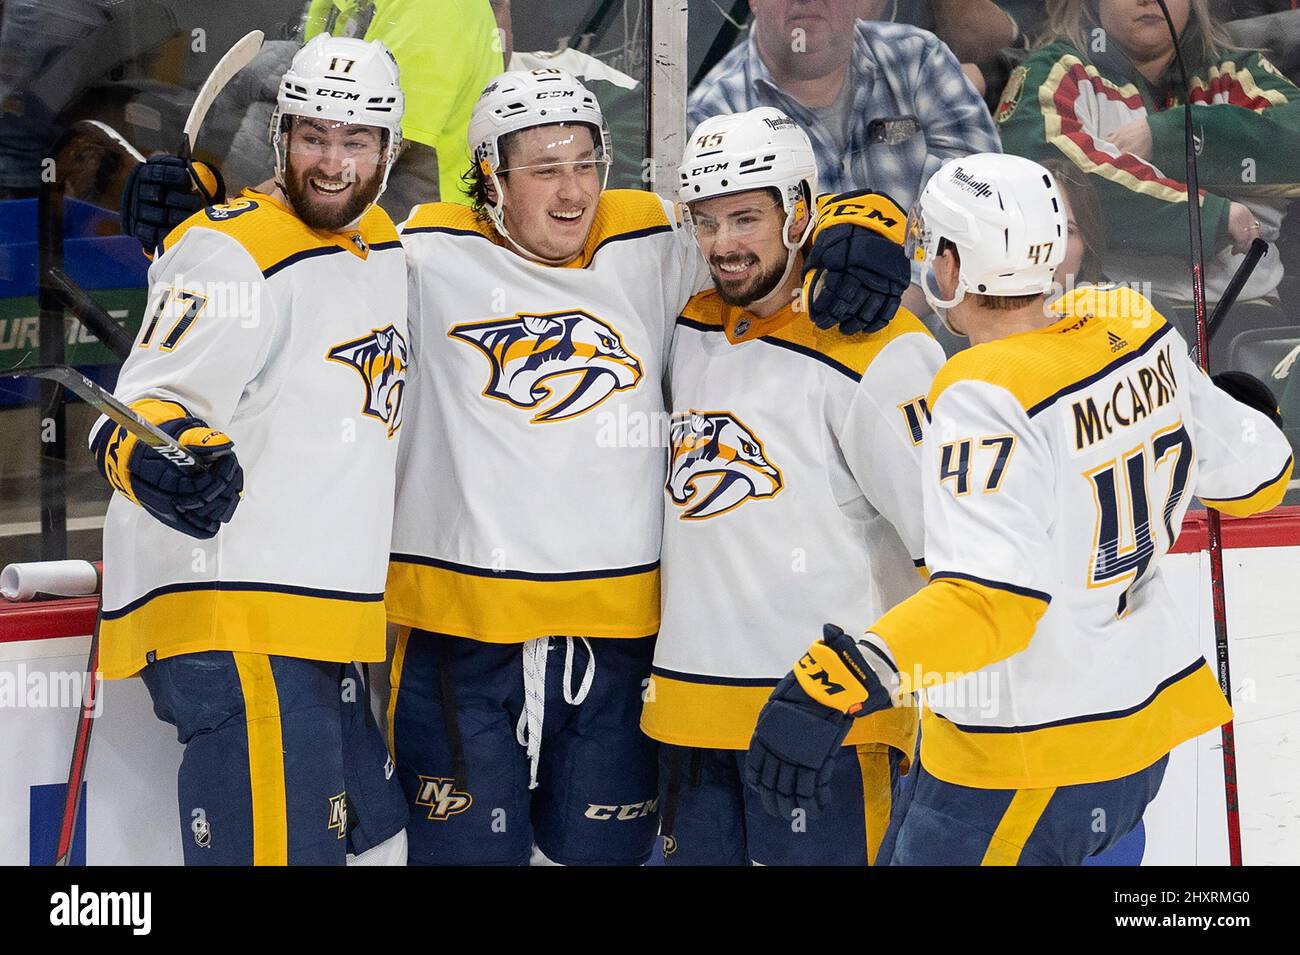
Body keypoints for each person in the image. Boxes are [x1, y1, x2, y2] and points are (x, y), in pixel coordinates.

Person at [387, 67, 913, 865]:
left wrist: (866, 220)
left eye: (586, 165)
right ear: (490, 178)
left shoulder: (652, 238)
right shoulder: (424, 251)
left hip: (623, 644)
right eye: (544, 170)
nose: (572, 193)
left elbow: (765, 221)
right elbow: (318, 248)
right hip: (461, 637)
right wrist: (202, 218)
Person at [745, 152, 1294, 865]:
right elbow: (1261, 475)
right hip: (1136, 740)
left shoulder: (982, 395)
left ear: (948, 266)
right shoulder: (1130, 322)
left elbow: (992, 603)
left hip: (1028, 752)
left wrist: (845, 674)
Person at [92, 34, 410, 866]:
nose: (332, 162)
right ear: (281, 138)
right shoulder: (229, 249)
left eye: (355, 140)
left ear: (390, 146)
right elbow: (134, 411)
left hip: (319, 620)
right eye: (313, 137)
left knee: (379, 845)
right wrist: (163, 456)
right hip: (237, 615)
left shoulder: (385, 246)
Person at [641, 107, 943, 865]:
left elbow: (955, 554)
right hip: (689, 715)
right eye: (705, 222)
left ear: (801, 210)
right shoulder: (688, 322)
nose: (724, 245)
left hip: (830, 723)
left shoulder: (883, 350)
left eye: (746, 216)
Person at [995, 0, 1300, 374]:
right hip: (1113, 306)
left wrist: (1176, 136)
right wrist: (1210, 211)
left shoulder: (1235, 70)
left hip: (1247, 305)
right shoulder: (1053, 71)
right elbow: (1061, 182)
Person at [688, 0, 1001, 212]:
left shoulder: (920, 60)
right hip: (799, 310)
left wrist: (900, 300)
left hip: (937, 304)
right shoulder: (712, 116)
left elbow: (982, 202)